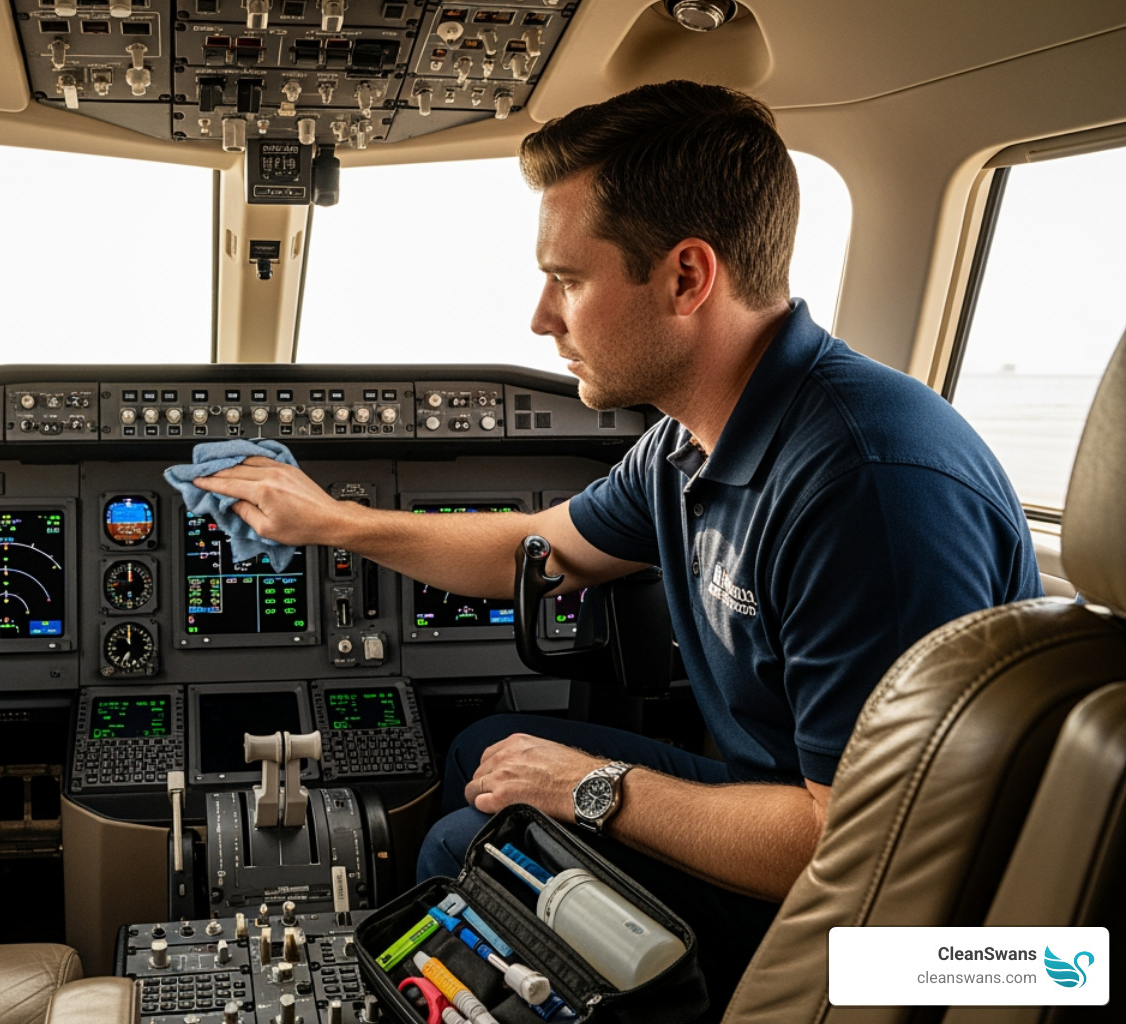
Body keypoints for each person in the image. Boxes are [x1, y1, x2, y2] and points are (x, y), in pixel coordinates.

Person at [194, 80, 1041, 1011]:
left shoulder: (866, 488)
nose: (542, 318)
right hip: (784, 800)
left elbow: (863, 848)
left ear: (686, 277)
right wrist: (332, 522)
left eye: (567, 279)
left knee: (466, 847)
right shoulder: (692, 437)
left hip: (888, 925)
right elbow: (538, 549)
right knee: (488, 752)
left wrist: (596, 786)